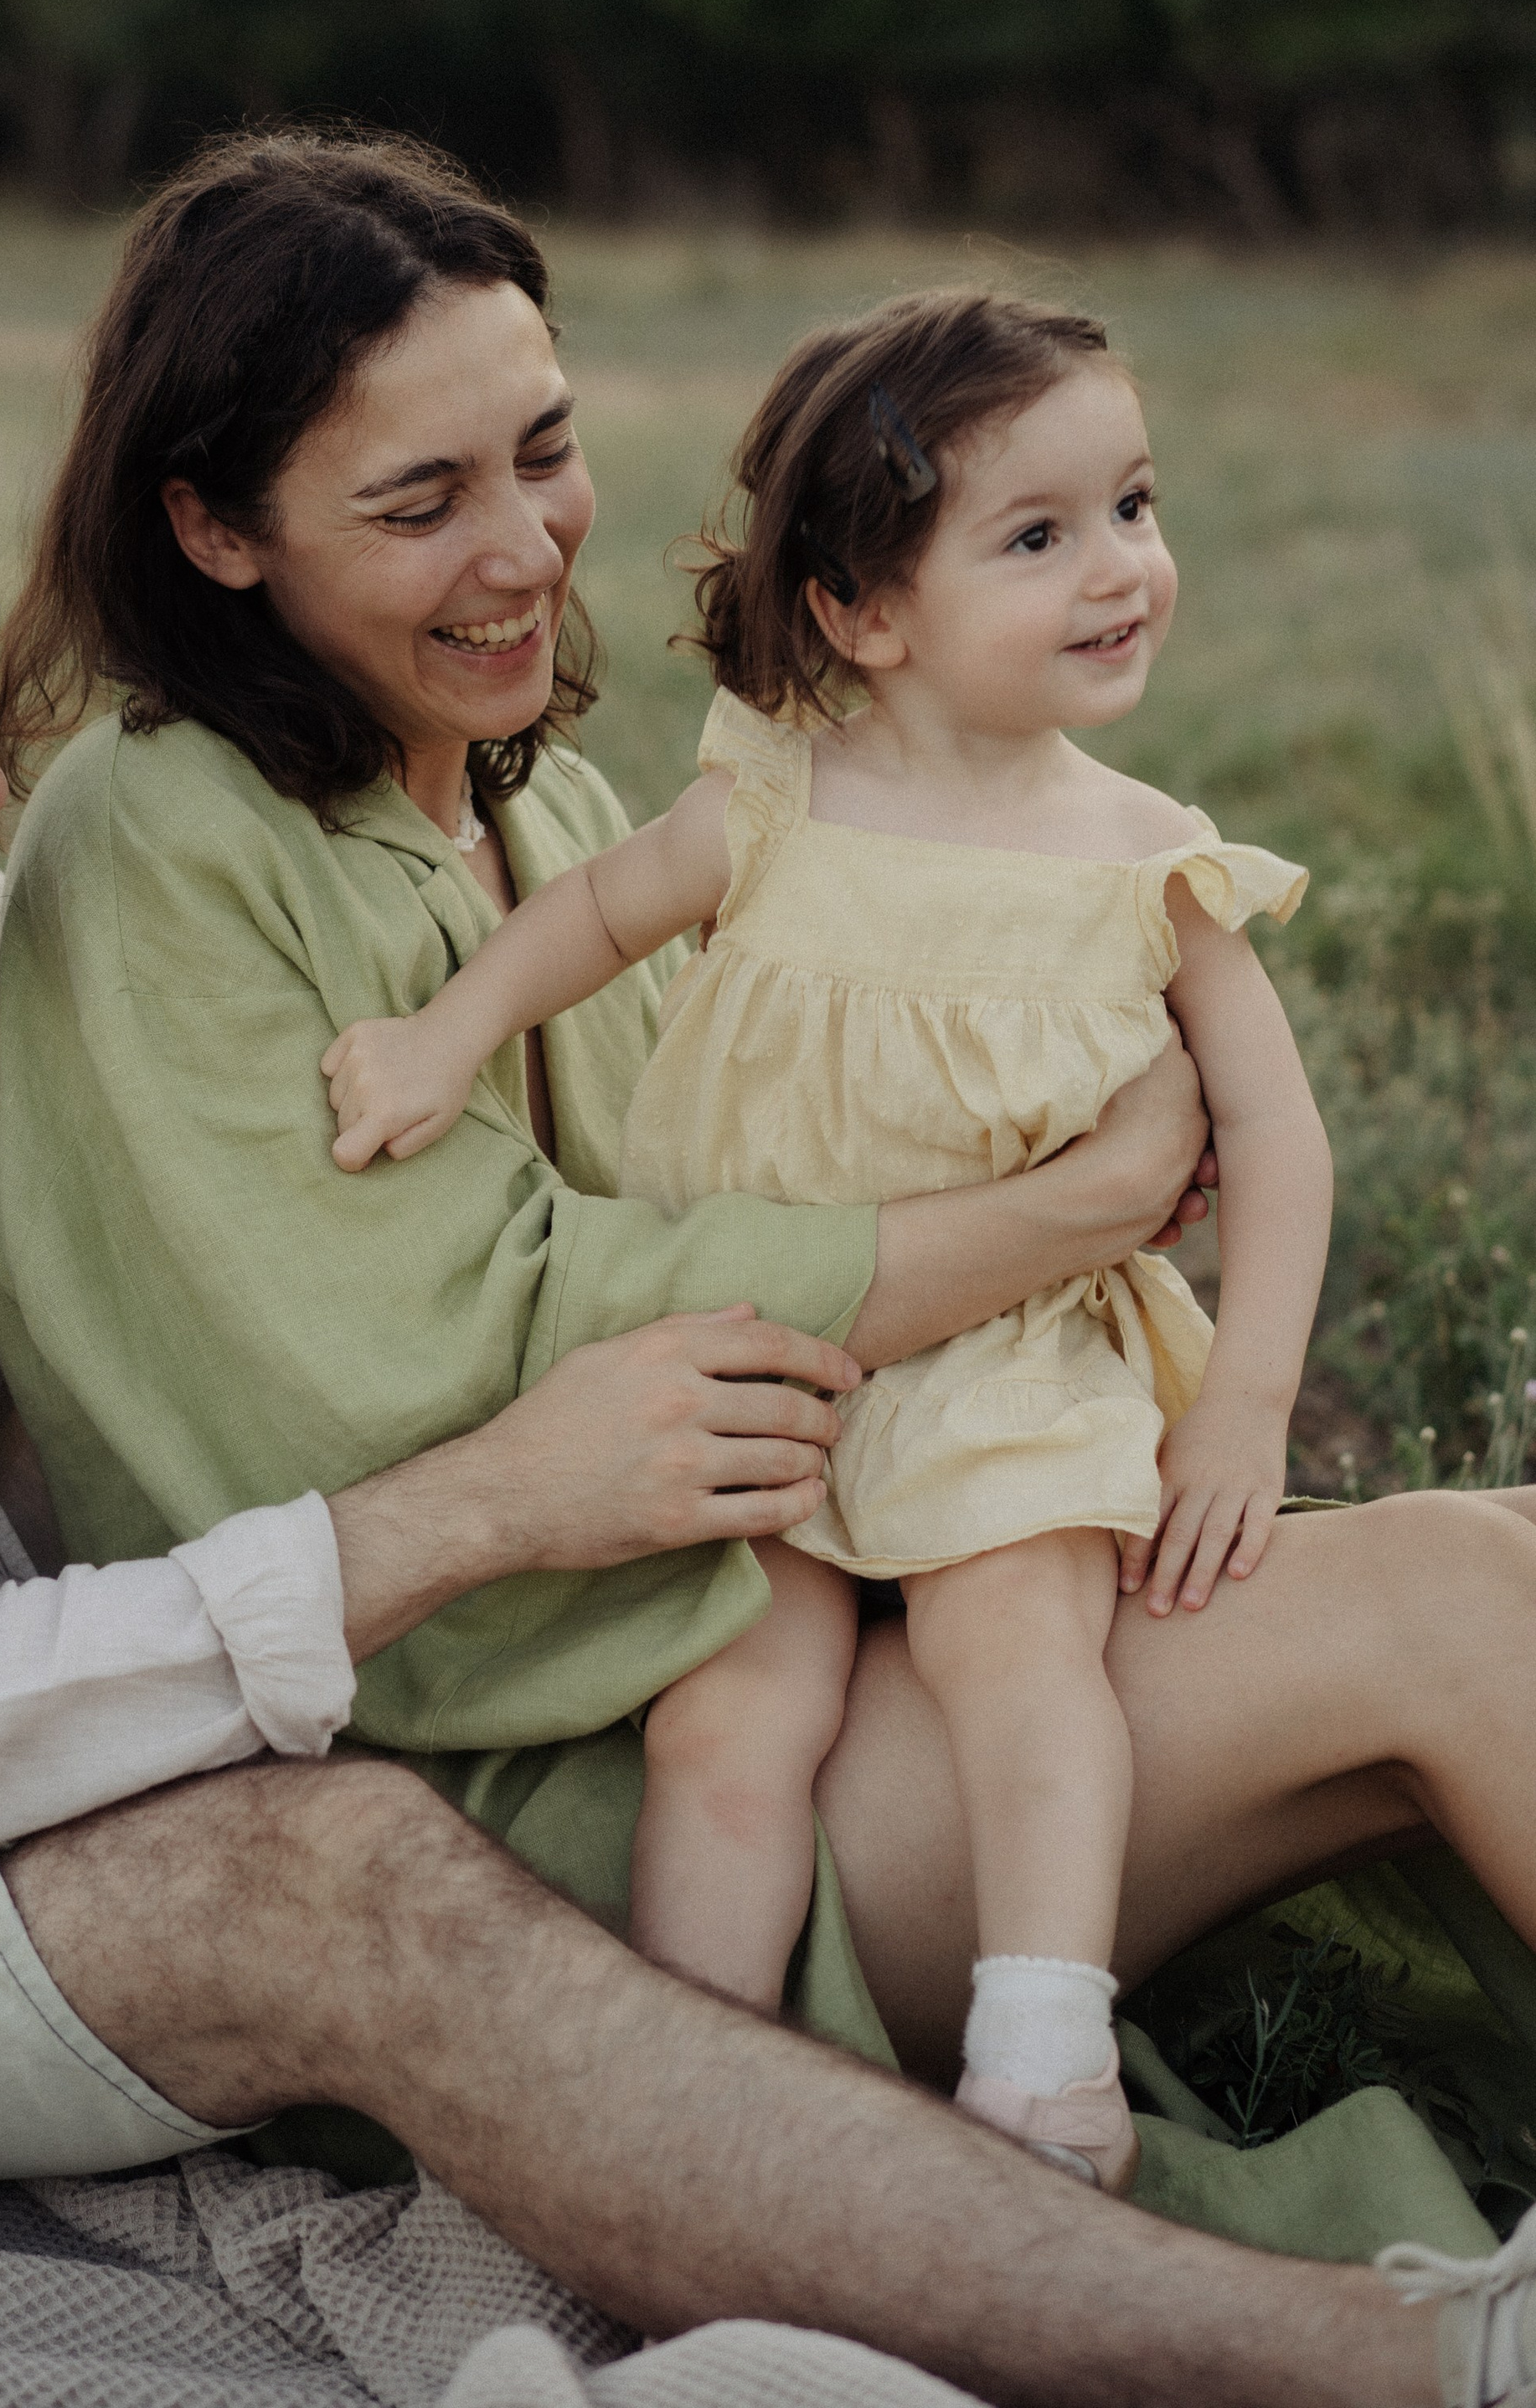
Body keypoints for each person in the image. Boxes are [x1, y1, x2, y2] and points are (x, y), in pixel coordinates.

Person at [0, 322, 1533, 2408]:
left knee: (1477, 1564)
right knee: (340, 1875)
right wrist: (493, 1501)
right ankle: (1404, 2361)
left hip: (147, 1717)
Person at [0, 127, 1536, 2265]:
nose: (522, 547)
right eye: (418, 504)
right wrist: (1060, 1217)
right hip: (527, 1825)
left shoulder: (572, 811)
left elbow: (773, 1181)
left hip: (803, 1607)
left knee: (1501, 1560)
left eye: (543, 451)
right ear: (213, 529)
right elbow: (432, 1365)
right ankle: (711, 2165)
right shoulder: (155, 835)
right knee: (1452, 1597)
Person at [320, 286, 1340, 2194]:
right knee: (730, 1717)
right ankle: (686, 2095)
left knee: (1018, 1662)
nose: (1120, 567)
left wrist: (1245, 1403)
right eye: (1035, 538)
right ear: (861, 614)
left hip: (1007, 1358)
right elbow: (596, 919)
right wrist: (446, 1035)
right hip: (760, 1352)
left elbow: (1276, 1142)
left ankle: (1039, 2063)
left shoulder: (1142, 859)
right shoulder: (770, 803)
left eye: (1128, 504)